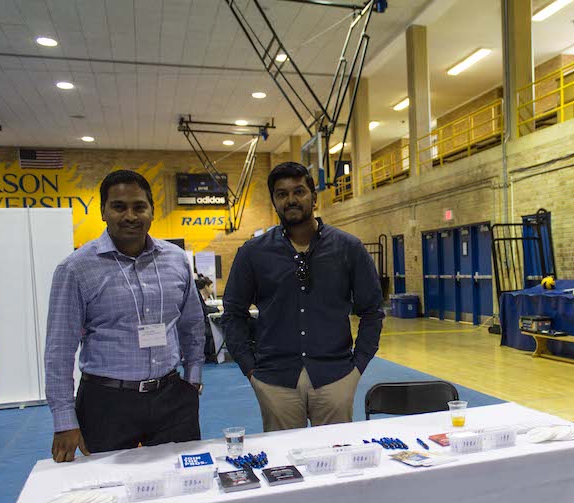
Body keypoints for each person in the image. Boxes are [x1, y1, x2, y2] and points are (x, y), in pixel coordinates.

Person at [45, 169, 205, 462]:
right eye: (119, 206)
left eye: (139, 206)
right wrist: (64, 419)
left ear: (152, 211)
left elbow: (192, 324)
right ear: (103, 212)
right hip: (106, 402)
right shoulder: (76, 269)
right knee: (109, 492)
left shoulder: (176, 260)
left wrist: (192, 378)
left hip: (172, 397)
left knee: (184, 484)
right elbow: (59, 350)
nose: (130, 215)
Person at [222, 162, 384, 432]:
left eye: (299, 191)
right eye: (282, 194)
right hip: (274, 380)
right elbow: (233, 313)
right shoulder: (253, 253)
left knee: (337, 461)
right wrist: (251, 371)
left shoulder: (348, 248)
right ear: (274, 201)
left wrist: (357, 367)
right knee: (284, 468)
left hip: (336, 377)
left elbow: (372, 311)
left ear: (314, 197)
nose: (291, 200)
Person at [196, 275, 220, 361]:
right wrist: (217, 309)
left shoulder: (197, 294)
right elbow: (204, 309)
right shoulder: (197, 295)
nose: (213, 289)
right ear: (206, 286)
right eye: (212, 286)